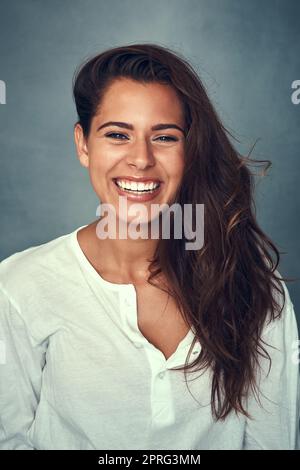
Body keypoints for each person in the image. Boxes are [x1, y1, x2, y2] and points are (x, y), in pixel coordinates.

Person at [0, 43, 299, 450]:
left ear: (190, 151)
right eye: (118, 134)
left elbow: (273, 443)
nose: (140, 159)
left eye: (164, 137)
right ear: (83, 144)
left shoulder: (251, 279)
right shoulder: (19, 286)